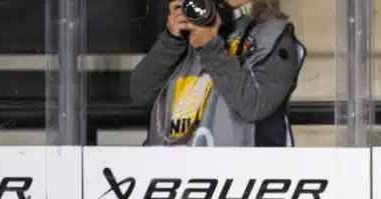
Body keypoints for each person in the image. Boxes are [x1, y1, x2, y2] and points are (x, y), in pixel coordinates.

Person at [130, 0, 306, 147]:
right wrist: (171, 40)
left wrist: (210, 47)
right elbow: (140, 94)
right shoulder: (187, 32)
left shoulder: (272, 36)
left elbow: (255, 104)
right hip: (167, 173)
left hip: (234, 177)